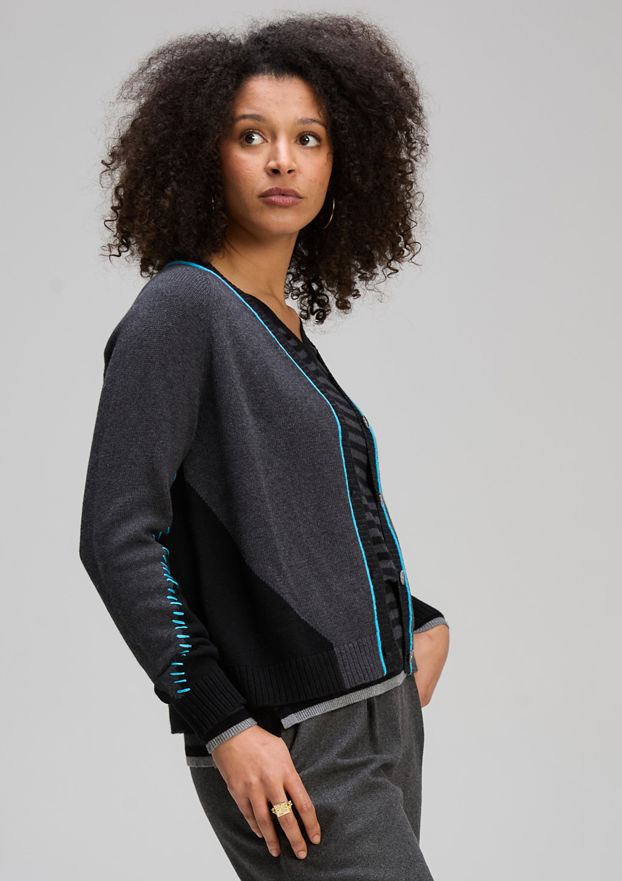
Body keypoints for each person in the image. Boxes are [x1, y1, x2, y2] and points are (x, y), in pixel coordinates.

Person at [79, 12, 450, 880]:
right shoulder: (183, 310)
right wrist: (223, 721)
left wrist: (415, 623)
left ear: (342, 162)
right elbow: (116, 533)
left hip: (373, 717)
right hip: (293, 739)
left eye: (308, 138)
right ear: (204, 156)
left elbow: (294, 527)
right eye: (252, 136)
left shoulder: (274, 320)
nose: (283, 160)